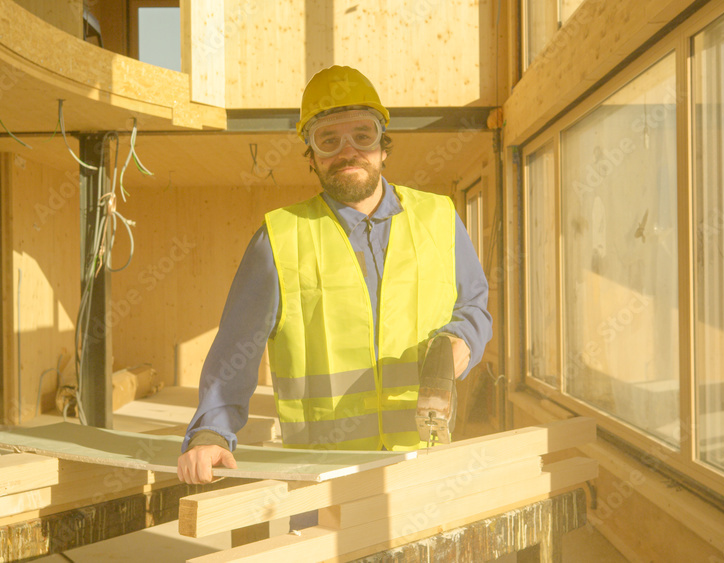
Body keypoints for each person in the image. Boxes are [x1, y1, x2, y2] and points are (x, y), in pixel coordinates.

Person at [177, 65, 492, 485]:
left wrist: (462, 341)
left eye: (363, 135)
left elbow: (473, 305)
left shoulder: (440, 219)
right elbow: (237, 347)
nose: (348, 151)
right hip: (321, 471)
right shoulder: (279, 238)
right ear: (311, 155)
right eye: (329, 139)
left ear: (384, 147)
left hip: (422, 463)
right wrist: (211, 431)